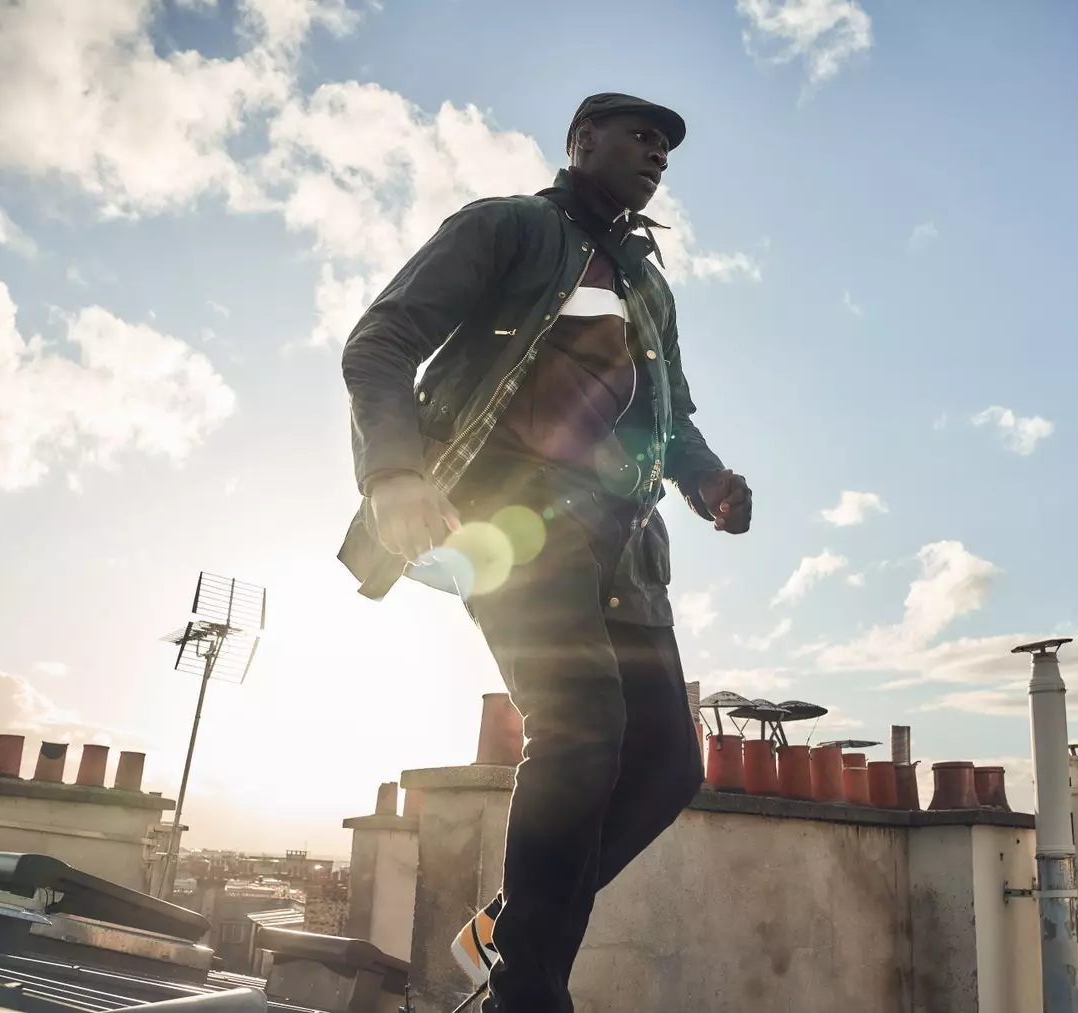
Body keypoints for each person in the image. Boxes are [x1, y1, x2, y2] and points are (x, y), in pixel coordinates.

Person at [336, 92, 752, 1013]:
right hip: (511, 515)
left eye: (667, 146)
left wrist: (710, 480)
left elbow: (671, 415)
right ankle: (527, 993)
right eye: (639, 136)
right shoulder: (511, 229)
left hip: (624, 540)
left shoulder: (648, 285)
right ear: (580, 142)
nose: (657, 154)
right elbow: (382, 340)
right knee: (581, 724)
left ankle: (509, 933)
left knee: (667, 767)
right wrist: (395, 471)